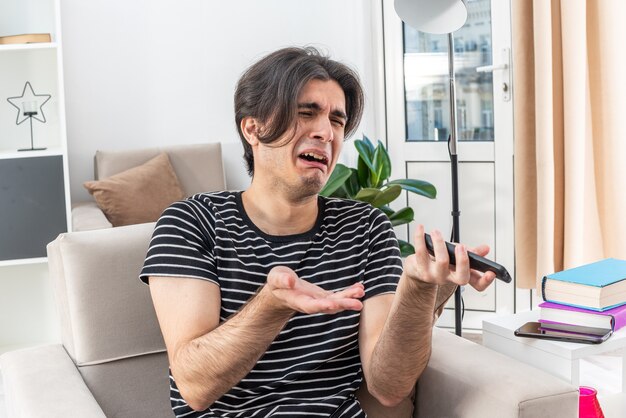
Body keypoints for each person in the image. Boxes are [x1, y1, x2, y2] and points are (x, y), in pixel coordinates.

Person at [140, 46, 496, 418]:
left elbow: (388, 389)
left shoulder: (366, 227)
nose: (326, 133)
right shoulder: (192, 222)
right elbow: (195, 387)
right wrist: (272, 306)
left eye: (337, 121)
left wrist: (420, 290)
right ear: (253, 128)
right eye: (305, 113)